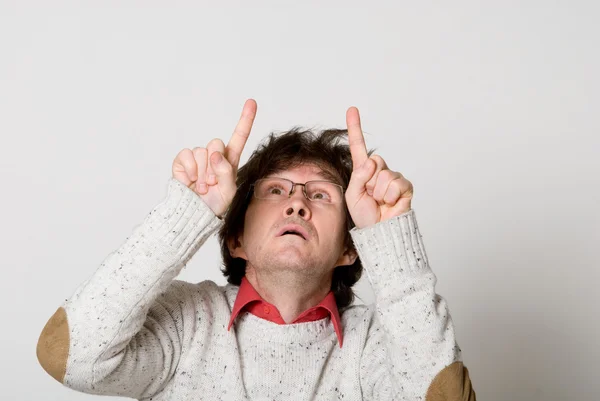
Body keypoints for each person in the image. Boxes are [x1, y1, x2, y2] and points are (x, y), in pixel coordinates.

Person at [36, 99, 476, 400]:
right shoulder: (189, 320)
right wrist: (185, 214)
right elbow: (71, 355)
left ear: (349, 248)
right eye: (275, 191)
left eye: (321, 195)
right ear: (236, 238)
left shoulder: (374, 344)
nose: (297, 203)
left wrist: (390, 238)